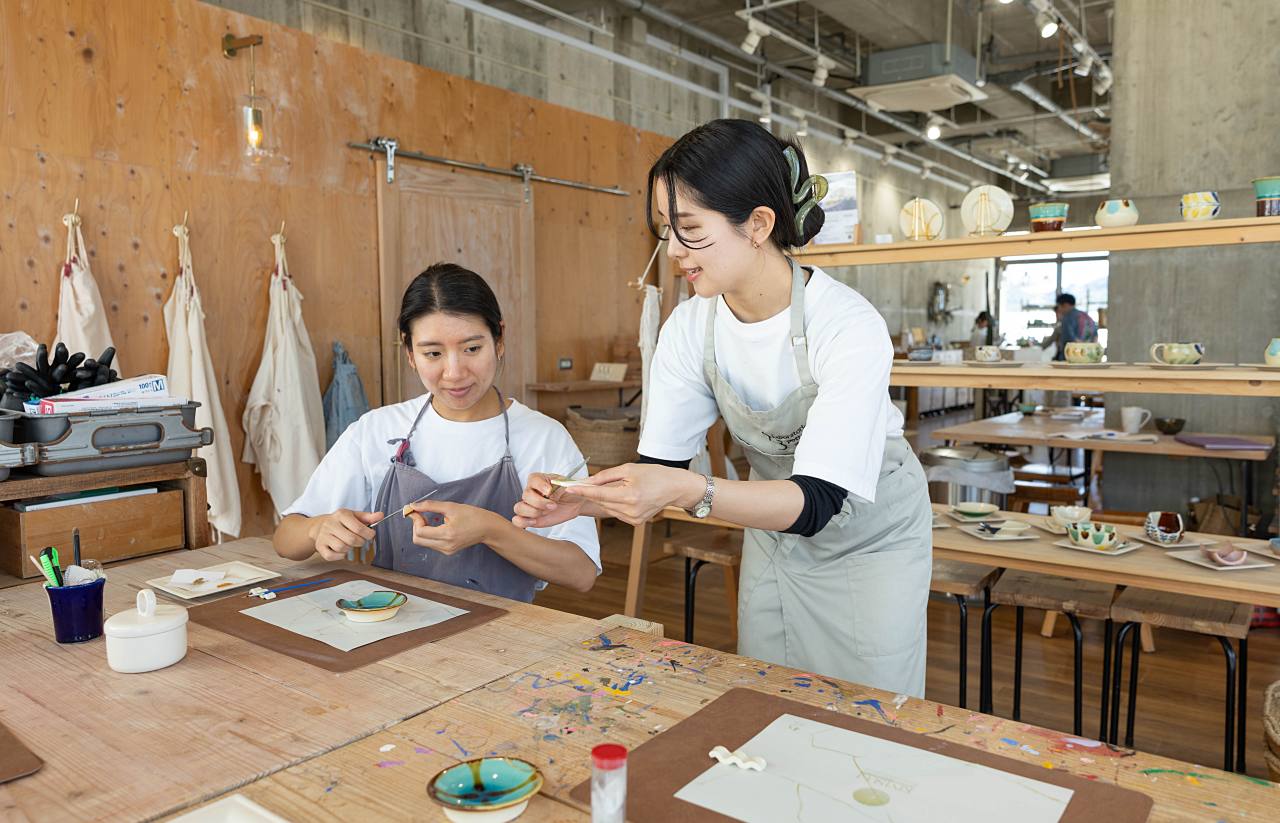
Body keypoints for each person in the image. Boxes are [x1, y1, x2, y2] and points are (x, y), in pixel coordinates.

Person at [514, 119, 932, 696]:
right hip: (772, 535)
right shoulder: (691, 326)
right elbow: (661, 471)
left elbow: (815, 503)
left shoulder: (847, 325)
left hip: (868, 541)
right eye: (667, 232)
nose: (676, 253)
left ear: (758, 224)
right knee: (766, 698)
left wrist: (688, 493)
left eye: (691, 231)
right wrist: (581, 501)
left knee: (868, 712)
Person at [274, 263, 600, 601]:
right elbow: (285, 539)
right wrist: (317, 528)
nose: (454, 372)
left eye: (472, 348)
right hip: (392, 627)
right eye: (433, 353)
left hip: (501, 640)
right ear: (410, 354)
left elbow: (581, 572)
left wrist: (491, 530)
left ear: (499, 340)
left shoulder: (543, 437)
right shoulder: (377, 429)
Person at [1040, 293, 1098, 361]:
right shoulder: (1086, 316)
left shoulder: (1067, 318)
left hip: (1073, 358)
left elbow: (1068, 339)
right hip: (1089, 356)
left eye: (1059, 306)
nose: (1059, 310)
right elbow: (1095, 336)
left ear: (1065, 305)